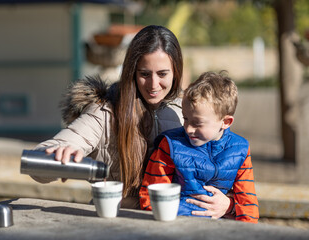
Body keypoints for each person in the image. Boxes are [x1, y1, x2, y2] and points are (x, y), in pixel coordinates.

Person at [31, 25, 234, 217]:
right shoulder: (105, 112)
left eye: (162, 74)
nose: (153, 85)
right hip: (115, 226)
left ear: (176, 72)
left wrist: (228, 203)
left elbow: (228, 168)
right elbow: (38, 167)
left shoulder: (187, 113)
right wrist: (59, 156)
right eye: (144, 74)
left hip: (174, 225)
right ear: (131, 72)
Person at [139, 71, 259, 223]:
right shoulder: (171, 145)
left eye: (197, 123)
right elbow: (152, 195)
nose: (188, 128)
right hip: (177, 222)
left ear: (226, 122)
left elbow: (248, 203)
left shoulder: (240, 150)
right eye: (186, 118)